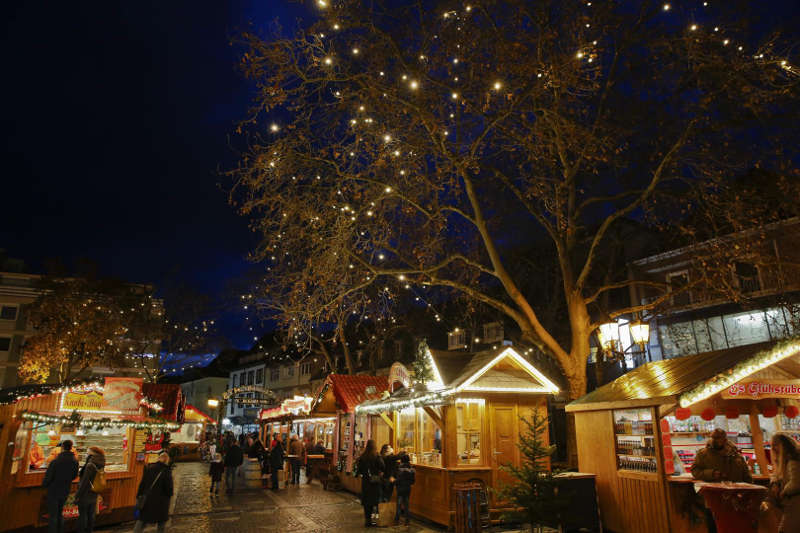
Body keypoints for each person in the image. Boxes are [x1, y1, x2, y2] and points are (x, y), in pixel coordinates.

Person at [691, 428, 752, 533]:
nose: (713, 440)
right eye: (712, 437)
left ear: (724, 439)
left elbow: (747, 477)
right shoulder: (703, 455)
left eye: (717, 438)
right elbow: (695, 470)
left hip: (735, 500)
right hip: (713, 500)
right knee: (714, 528)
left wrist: (747, 494)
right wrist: (712, 474)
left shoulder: (736, 455)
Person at [42, 440, 79, 533]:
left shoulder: (55, 461)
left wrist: (45, 484)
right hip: (65, 489)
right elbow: (74, 476)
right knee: (60, 513)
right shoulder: (75, 461)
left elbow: (49, 476)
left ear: (62, 447)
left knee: (53, 515)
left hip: (53, 490)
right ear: (71, 447)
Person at [766, 434, 800, 532]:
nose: (773, 449)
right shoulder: (786, 460)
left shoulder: (794, 460)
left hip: (795, 505)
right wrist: (775, 482)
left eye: (775, 445)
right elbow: (776, 474)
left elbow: (796, 483)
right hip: (792, 506)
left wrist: (783, 492)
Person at [134, 452, 173, 533]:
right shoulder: (166, 471)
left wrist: (139, 495)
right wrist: (170, 495)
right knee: (161, 523)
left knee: (142, 519)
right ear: (167, 461)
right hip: (161, 501)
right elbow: (169, 488)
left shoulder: (149, 468)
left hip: (148, 499)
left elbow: (142, 483)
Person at [75, 447, 106, 533]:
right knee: (91, 515)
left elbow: (84, 482)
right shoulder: (101, 463)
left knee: (83, 516)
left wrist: (78, 495)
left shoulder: (90, 465)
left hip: (85, 493)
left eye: (87, 452)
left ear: (92, 454)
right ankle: (89, 531)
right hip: (94, 492)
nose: (86, 454)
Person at [356, 440, 385, 528]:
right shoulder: (377, 456)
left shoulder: (363, 456)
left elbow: (359, 470)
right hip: (375, 482)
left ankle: (367, 520)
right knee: (376, 501)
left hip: (366, 482)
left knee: (367, 502)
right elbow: (383, 466)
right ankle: (377, 520)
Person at [394, 454, 416, 526]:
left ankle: (397, 520)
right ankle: (407, 521)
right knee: (406, 504)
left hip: (400, 488)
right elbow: (413, 481)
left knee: (399, 504)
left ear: (401, 460)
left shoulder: (399, 469)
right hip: (407, 488)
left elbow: (398, 480)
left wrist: (394, 481)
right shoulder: (412, 469)